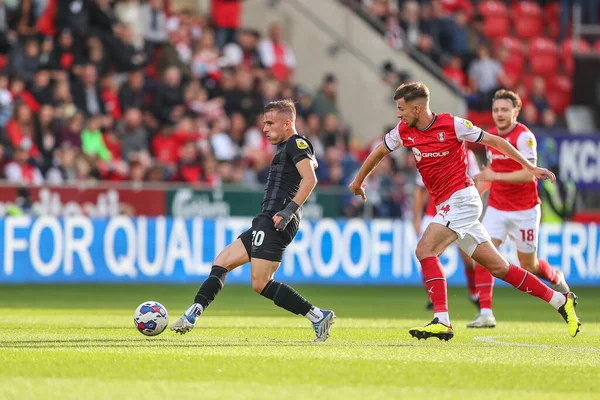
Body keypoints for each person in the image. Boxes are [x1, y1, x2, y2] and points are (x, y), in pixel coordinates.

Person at [349, 82, 580, 341]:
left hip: (462, 200)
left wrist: (530, 167)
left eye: (401, 109)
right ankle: (560, 300)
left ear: (416, 108)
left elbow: (494, 141)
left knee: (425, 250)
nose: (398, 114)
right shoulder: (404, 131)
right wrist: (359, 181)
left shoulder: (453, 125)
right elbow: (379, 151)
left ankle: (442, 320)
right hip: (452, 206)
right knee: (500, 268)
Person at [170, 100, 336, 342]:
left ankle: (317, 315)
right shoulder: (291, 147)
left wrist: (287, 211)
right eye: (263, 123)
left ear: (288, 123)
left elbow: (310, 180)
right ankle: (192, 313)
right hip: (266, 219)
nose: (265, 128)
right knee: (221, 262)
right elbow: (311, 164)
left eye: (270, 123)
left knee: (260, 283)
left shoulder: (295, 143)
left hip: (277, 219)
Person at [468, 90, 571, 329]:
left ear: (516, 111)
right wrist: (481, 188)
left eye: (505, 110)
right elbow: (492, 174)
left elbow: (528, 174)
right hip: (497, 207)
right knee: (482, 256)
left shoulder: (525, 137)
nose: (500, 114)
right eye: (496, 110)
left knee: (529, 266)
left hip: (525, 209)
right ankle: (485, 313)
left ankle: (556, 278)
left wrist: (495, 175)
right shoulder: (491, 137)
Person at [414, 149, 481, 311]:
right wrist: (416, 217)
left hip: (459, 211)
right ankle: (433, 297)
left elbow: (477, 180)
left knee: (468, 257)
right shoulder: (428, 152)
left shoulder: (468, 155)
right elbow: (420, 190)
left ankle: (474, 293)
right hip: (434, 213)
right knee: (427, 255)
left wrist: (471, 204)